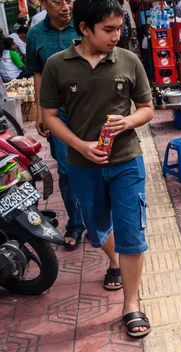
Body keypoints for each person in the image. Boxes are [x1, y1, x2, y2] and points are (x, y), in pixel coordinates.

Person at [40, 0, 154, 338]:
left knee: (132, 231)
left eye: (119, 28)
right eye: (108, 29)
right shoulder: (57, 65)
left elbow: (147, 107)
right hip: (82, 166)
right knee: (97, 225)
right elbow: (48, 116)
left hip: (126, 162)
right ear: (85, 28)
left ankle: (131, 304)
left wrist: (128, 121)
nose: (116, 36)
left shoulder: (129, 60)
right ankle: (114, 261)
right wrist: (79, 145)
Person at [26, 0, 86, 250]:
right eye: (56, 2)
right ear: (42, 4)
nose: (65, 7)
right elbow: (38, 73)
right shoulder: (35, 34)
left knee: (98, 165)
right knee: (68, 170)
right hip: (57, 113)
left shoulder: (85, 25)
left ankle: (99, 220)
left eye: (69, 0)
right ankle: (76, 224)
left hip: (89, 109)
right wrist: (40, 111)